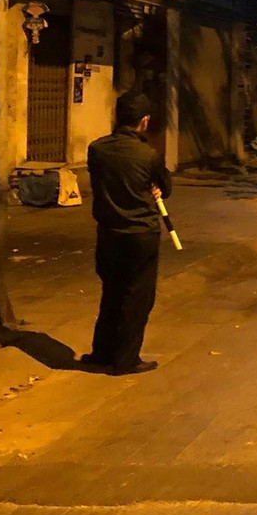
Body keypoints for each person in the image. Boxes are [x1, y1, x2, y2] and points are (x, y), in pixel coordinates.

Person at [81, 91, 171, 375]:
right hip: (141, 234)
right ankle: (126, 359)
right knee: (137, 297)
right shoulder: (149, 155)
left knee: (112, 291)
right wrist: (153, 188)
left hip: (109, 232)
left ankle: (102, 353)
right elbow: (165, 187)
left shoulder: (97, 149)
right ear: (144, 121)